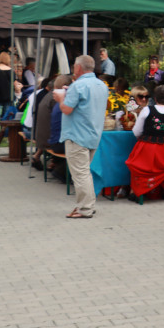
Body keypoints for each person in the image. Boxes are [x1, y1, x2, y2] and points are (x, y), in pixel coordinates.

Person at [54, 56, 109, 218]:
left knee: (80, 174)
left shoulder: (77, 86)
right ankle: (88, 205)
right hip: (93, 134)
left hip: (77, 135)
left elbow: (66, 109)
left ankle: (85, 208)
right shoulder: (102, 85)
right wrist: (68, 92)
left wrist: (60, 98)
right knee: (85, 172)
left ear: (78, 68)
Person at [126, 84, 164, 200]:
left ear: (155, 98)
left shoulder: (147, 110)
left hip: (148, 148)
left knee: (137, 164)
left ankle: (137, 192)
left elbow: (136, 132)